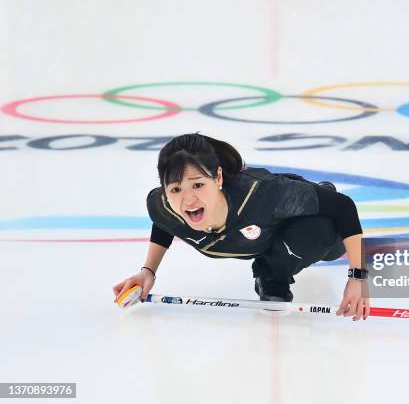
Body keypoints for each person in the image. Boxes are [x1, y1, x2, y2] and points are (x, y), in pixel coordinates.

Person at [113, 133, 370, 320]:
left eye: (198, 185)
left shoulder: (262, 195)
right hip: (257, 236)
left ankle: (273, 273)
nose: (188, 199)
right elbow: (164, 222)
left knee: (326, 237)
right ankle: (272, 275)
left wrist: (357, 278)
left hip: (297, 221)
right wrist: (148, 271)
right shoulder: (162, 204)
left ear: (219, 178)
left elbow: (343, 207)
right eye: (176, 189)